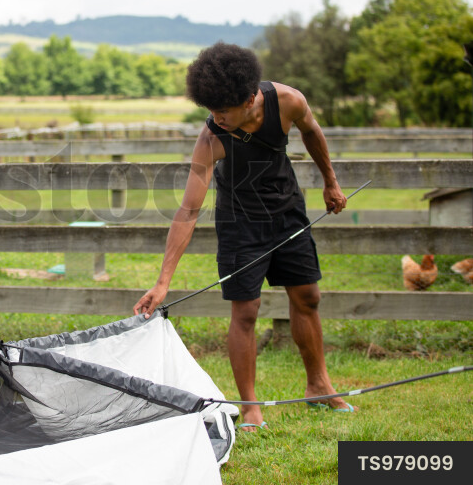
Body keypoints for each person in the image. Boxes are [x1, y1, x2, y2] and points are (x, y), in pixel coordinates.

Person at [133, 42, 353, 432]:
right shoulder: (211, 137)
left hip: (288, 212)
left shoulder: (288, 101)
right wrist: (163, 280)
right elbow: (188, 210)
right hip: (240, 223)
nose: (215, 118)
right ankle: (250, 406)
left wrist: (331, 184)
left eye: (222, 111)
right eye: (210, 110)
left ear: (250, 98)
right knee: (245, 310)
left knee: (308, 297)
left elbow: (313, 133)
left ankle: (319, 384)